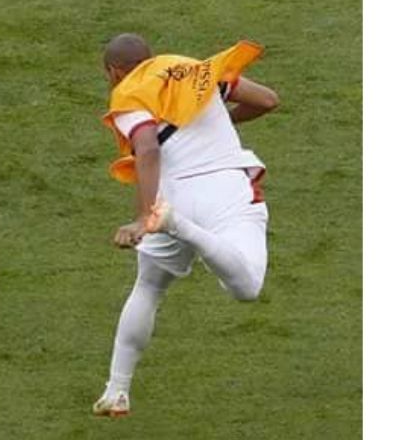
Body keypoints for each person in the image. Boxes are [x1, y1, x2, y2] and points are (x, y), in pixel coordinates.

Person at [92, 33, 280, 418]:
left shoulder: (128, 92)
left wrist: (145, 216)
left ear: (113, 72)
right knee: (246, 288)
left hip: (173, 195)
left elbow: (147, 147)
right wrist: (220, 121)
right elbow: (266, 100)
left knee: (148, 287)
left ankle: (116, 391)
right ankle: (178, 225)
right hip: (225, 190)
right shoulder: (194, 69)